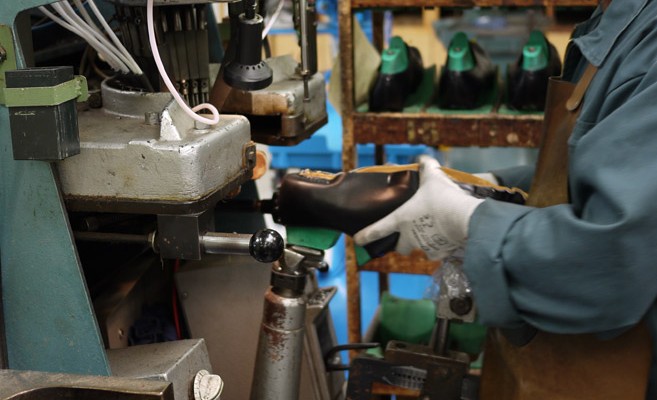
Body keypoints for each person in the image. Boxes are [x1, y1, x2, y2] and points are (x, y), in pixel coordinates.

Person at [354, 0, 657, 398]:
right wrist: (495, 186)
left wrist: (471, 219)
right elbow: (601, 168)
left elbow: (611, 263)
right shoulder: (621, 21)